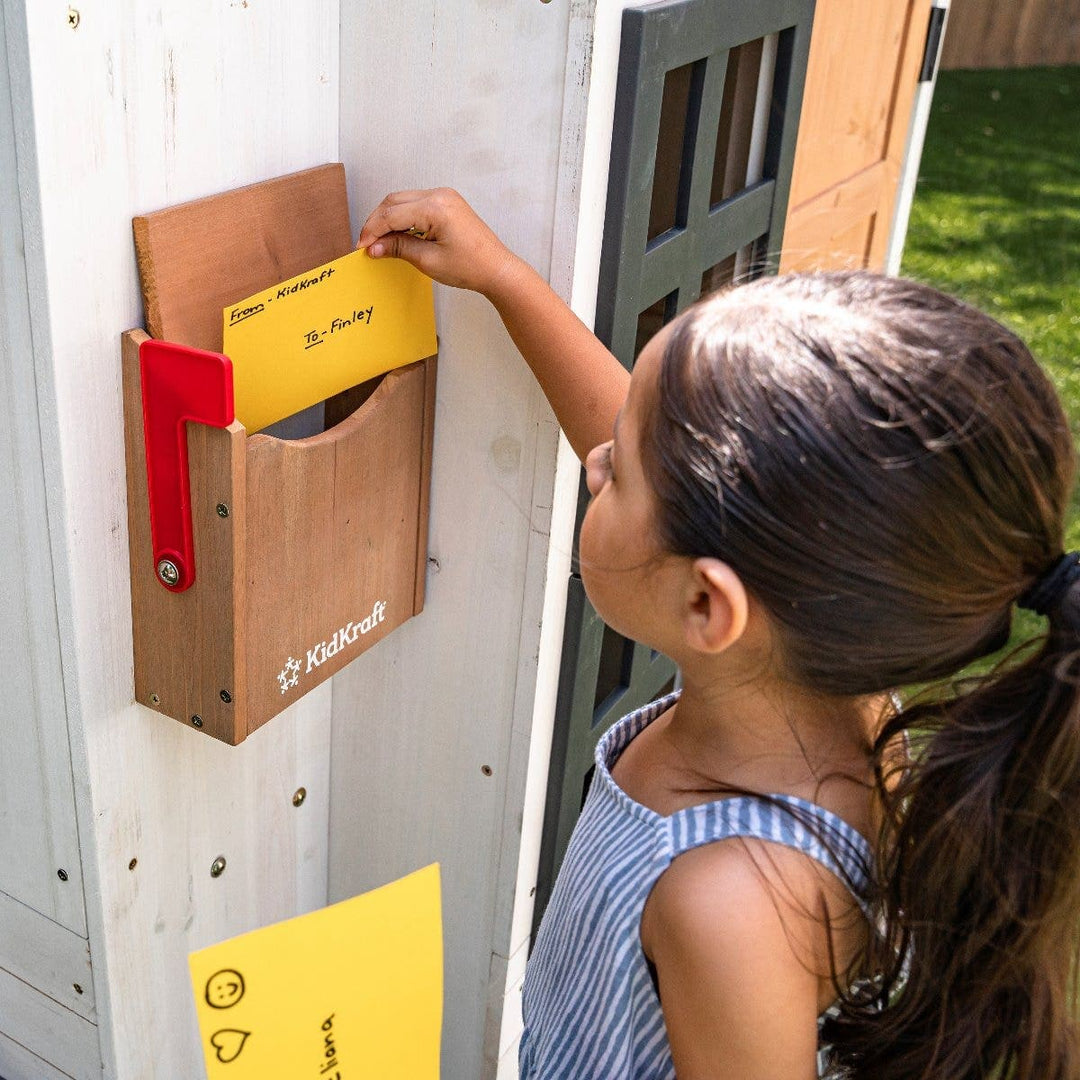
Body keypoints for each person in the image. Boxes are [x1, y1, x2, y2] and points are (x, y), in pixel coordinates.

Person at [358, 189, 1080, 1080]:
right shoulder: (821, 685)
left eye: (620, 469)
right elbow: (653, 481)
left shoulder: (730, 903)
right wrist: (504, 280)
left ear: (709, 607)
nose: (596, 461)